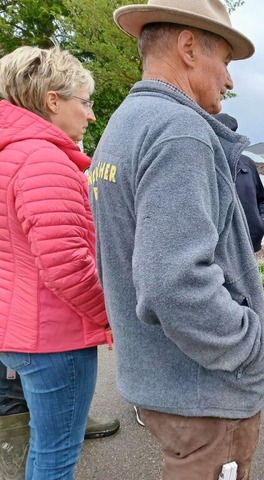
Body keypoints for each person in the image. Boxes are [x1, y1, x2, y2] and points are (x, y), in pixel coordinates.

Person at [89, 1, 264, 478]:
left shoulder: (123, 125)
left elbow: (120, 259)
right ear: (187, 46)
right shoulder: (180, 131)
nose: (230, 78)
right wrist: (251, 346)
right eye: (224, 58)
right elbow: (171, 282)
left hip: (165, 384)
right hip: (205, 395)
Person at [0, 46, 113, 480]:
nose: (89, 114)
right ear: (53, 100)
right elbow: (67, 263)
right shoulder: (44, 159)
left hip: (21, 329)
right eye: (83, 101)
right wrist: (109, 316)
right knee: (56, 454)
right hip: (54, 338)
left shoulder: (11, 153)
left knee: (45, 448)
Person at [215, 113, 264, 252]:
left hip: (249, 242)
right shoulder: (207, 166)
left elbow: (261, 199)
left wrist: (262, 221)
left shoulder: (248, 164)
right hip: (219, 249)